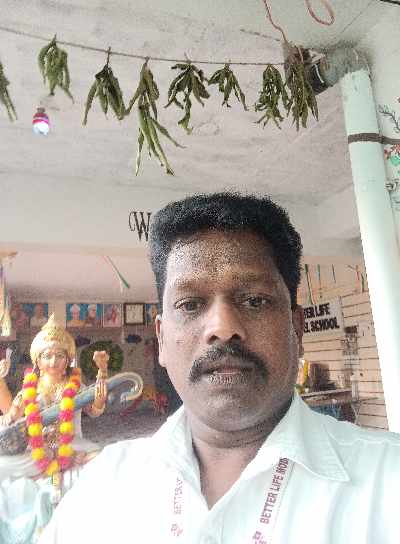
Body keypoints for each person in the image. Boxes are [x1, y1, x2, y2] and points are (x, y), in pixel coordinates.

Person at [40, 193, 400, 544]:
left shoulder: (387, 480)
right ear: (161, 339)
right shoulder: (102, 490)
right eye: (190, 304)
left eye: (254, 300)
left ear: (296, 328)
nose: (222, 327)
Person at [0, 314, 109, 542]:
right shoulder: (30, 388)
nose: (53, 361)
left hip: (72, 444)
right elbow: (13, 414)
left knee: (104, 460)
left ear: (68, 360)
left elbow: (94, 411)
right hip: (36, 450)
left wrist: (101, 380)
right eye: (47, 356)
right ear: (38, 361)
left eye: (59, 356)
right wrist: (3, 391)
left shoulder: (76, 385)